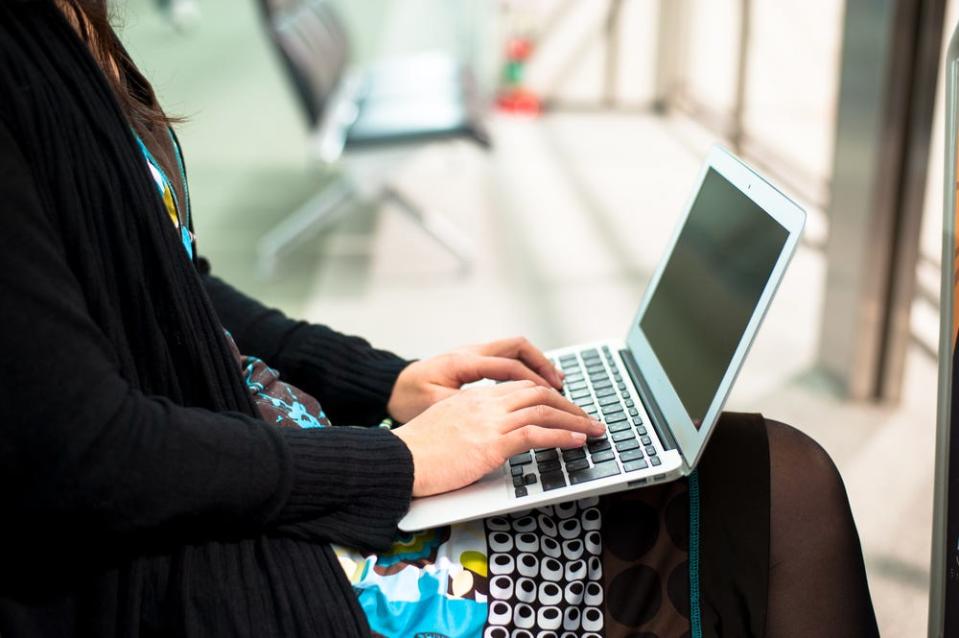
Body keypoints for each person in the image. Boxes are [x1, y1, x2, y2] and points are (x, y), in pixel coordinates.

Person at [0, 1, 880, 636]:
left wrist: (386, 382)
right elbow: (85, 459)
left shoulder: (72, 26)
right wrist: (394, 462)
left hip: (270, 463)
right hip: (200, 561)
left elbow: (186, 293)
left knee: (754, 471)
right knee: (781, 490)